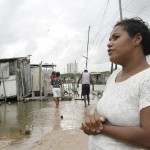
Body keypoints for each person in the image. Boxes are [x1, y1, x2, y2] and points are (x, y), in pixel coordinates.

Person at [81, 17, 150, 149]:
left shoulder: (147, 78)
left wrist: (102, 128)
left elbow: (148, 137)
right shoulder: (114, 76)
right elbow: (98, 114)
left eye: (116, 37)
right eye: (109, 39)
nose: (109, 43)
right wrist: (90, 123)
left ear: (136, 39)